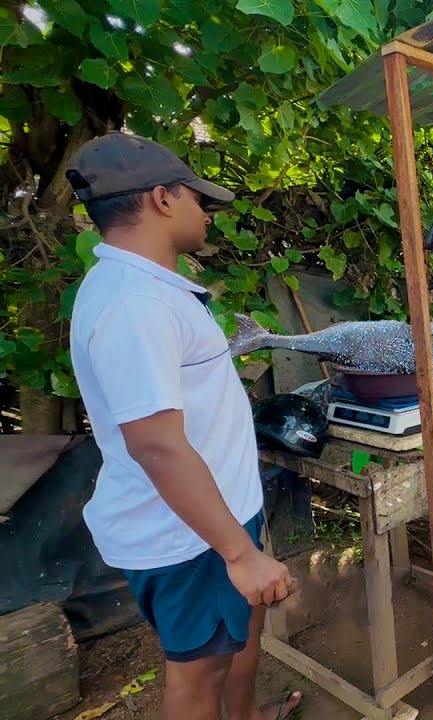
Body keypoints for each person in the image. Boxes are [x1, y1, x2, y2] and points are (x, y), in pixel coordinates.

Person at [65, 133, 302, 720]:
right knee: (199, 678)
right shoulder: (134, 305)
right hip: (189, 535)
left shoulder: (148, 290)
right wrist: (239, 555)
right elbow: (157, 445)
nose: (207, 215)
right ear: (162, 200)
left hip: (217, 515)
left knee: (237, 644)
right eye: (200, 201)